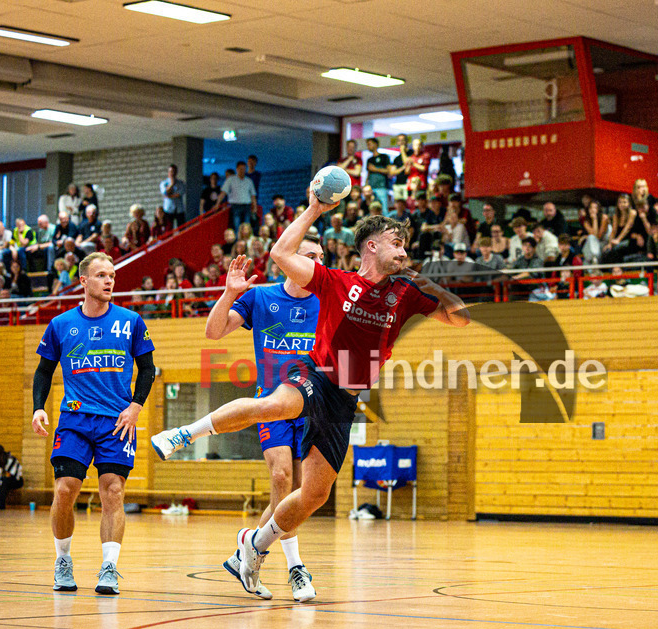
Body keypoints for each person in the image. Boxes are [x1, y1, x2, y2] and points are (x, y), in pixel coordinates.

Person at [151, 189, 469, 596]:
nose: (403, 251)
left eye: (405, 245)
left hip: (345, 399)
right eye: (397, 242)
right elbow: (281, 255)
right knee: (276, 413)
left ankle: (253, 546)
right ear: (371, 246)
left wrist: (425, 282)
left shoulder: (405, 294)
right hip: (316, 375)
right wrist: (315, 208)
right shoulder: (336, 283)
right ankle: (185, 433)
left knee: (314, 494)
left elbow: (461, 319)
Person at [31, 252, 156, 594]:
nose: (109, 280)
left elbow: (148, 369)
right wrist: (38, 408)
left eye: (112, 275)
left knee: (113, 491)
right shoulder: (60, 325)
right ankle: (63, 560)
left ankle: (109, 569)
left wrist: (136, 406)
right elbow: (44, 371)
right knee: (65, 489)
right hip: (74, 419)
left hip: (117, 422)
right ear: (83, 281)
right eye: (101, 275)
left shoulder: (130, 321)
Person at [204, 247, 323, 602]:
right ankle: (295, 567)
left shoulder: (327, 301)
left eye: (318, 256)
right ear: (287, 259)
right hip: (272, 403)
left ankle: (247, 547)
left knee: (301, 497)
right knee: (280, 477)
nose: (312, 260)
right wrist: (229, 293)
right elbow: (213, 333)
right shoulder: (260, 297)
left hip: (312, 404)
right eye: (305, 253)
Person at [0, 445, 24, 512]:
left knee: (5, 482)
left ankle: (0, 505)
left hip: (16, 481)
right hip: (4, 480)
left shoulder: (10, 459)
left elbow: (8, 476)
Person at [221, 162, 258, 233]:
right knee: (236, 225)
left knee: (247, 225)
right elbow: (223, 192)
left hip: (247, 206)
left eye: (244, 169)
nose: (242, 170)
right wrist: (217, 203)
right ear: (237, 169)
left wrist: (255, 207)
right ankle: (238, 241)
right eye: (240, 169)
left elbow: (253, 195)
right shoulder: (231, 179)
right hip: (235, 206)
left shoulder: (249, 181)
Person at [365, 138, 392, 211]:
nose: (368, 146)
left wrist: (375, 169)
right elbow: (368, 174)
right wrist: (366, 185)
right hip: (372, 188)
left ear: (376, 144)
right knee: (372, 208)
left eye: (370, 144)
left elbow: (389, 171)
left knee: (383, 209)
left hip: (382, 187)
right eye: (367, 145)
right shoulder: (369, 159)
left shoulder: (384, 157)